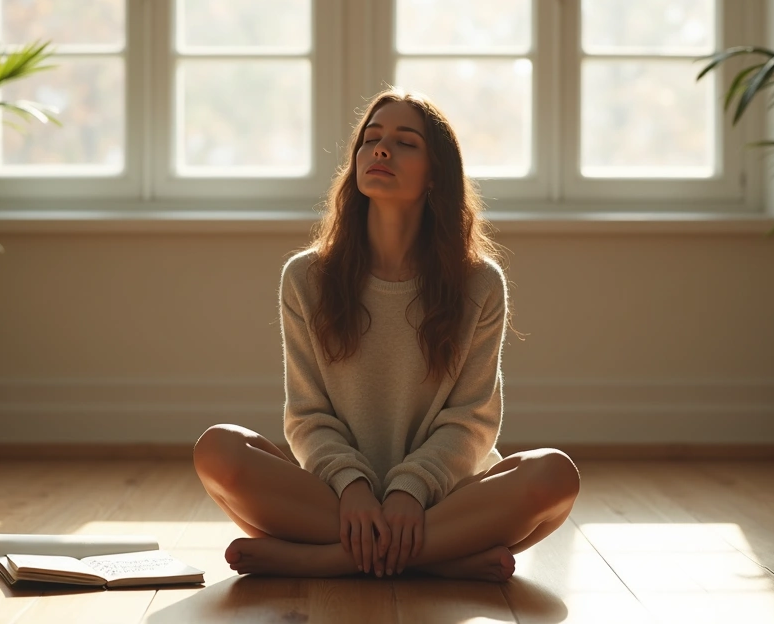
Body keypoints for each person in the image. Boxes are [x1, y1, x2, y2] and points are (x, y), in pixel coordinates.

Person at [193, 88, 580, 582]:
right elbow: (308, 416)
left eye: (405, 142)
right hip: (335, 497)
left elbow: (473, 420)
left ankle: (327, 559)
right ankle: (439, 558)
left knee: (555, 476)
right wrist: (353, 486)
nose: (380, 150)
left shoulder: (480, 283)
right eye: (371, 139)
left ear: (436, 173)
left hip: (444, 497)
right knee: (218, 450)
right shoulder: (305, 278)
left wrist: (410, 489)